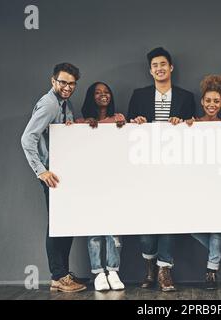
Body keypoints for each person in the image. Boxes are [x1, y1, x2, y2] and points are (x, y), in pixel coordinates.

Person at [127, 47, 196, 292]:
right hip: (144, 168)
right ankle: (149, 267)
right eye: (155, 65)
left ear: (171, 67)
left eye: (163, 64)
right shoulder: (139, 95)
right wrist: (136, 123)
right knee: (146, 222)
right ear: (150, 70)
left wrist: (185, 123)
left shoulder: (186, 97)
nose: (159, 68)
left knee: (168, 219)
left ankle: (165, 270)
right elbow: (127, 131)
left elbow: (194, 131)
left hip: (174, 168)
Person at [21, 62, 86, 292]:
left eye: (72, 83)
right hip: (51, 174)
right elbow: (27, 138)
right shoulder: (49, 104)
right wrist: (41, 171)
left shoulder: (64, 103)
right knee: (57, 225)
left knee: (64, 224)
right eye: (63, 82)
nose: (68, 87)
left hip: (61, 173)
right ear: (53, 81)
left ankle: (62, 274)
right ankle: (58, 276)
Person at [186, 75, 221, 290]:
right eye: (208, 100)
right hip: (198, 183)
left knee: (217, 228)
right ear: (202, 102)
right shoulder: (194, 124)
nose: (212, 104)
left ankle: (211, 270)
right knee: (192, 226)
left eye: (216, 101)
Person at [80, 82, 126, 291]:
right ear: (91, 97)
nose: (103, 95)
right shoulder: (82, 123)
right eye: (98, 93)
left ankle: (113, 270)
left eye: (106, 92)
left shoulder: (118, 120)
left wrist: (125, 125)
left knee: (114, 228)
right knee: (94, 229)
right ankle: (98, 273)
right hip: (90, 183)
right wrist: (75, 128)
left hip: (115, 182)